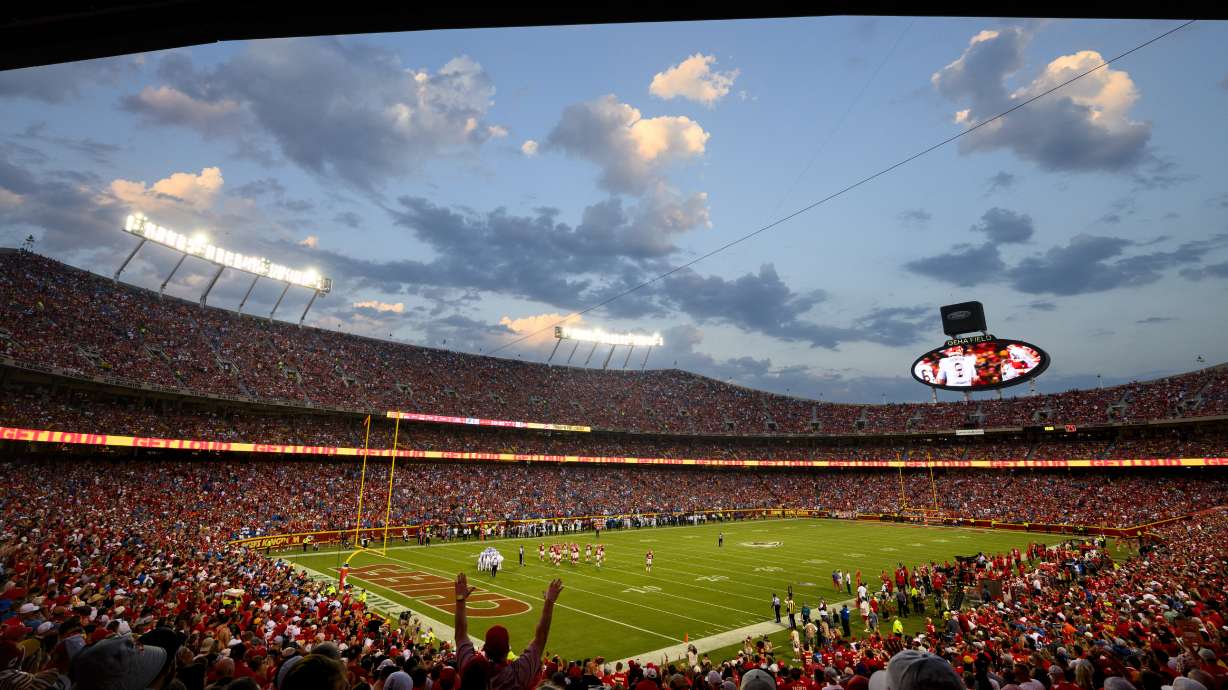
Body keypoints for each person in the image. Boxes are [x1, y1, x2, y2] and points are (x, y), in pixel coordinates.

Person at [455, 572, 562, 690]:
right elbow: (540, 638)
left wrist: (460, 599)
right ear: (507, 650)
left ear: (485, 647)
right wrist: (549, 602)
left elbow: (460, 634)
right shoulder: (517, 675)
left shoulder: (470, 668)